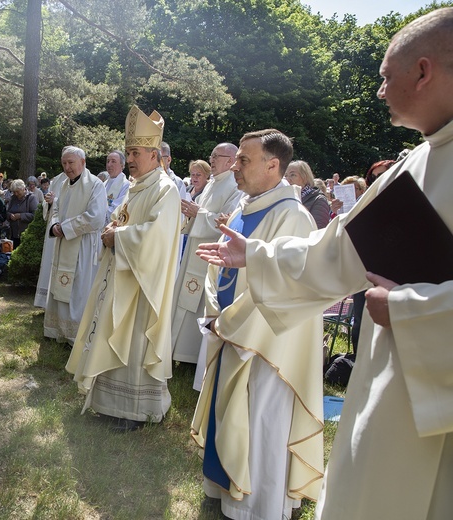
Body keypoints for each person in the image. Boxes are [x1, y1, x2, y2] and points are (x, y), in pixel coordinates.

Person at [195, 9, 453, 519]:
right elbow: (337, 251)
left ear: (423, 72)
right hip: (395, 378)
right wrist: (256, 255)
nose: (379, 92)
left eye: (384, 77)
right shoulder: (416, 163)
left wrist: (413, 310)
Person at [191, 129, 323, 520]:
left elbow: (283, 290)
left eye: (243, 160)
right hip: (230, 331)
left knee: (261, 421)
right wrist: (215, 312)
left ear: (273, 165)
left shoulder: (293, 216)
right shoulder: (240, 210)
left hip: (268, 347)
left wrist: (226, 323)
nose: (235, 168)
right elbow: (219, 270)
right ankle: (224, 489)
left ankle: (258, 507)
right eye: (234, 160)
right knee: (228, 413)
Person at [65, 106, 181, 432]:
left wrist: (118, 235)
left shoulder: (165, 190)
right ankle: (109, 404)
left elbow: (156, 237)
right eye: (128, 152)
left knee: (134, 342)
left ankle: (135, 411)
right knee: (112, 334)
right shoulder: (136, 186)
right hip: (121, 275)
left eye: (136, 152)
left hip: (144, 284)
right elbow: (123, 219)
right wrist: (112, 230)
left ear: (155, 155)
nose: (129, 158)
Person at [171, 145, 241, 371]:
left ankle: (191, 355)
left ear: (230, 160)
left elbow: (226, 222)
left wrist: (197, 213)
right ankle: (178, 350)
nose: (211, 160)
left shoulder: (235, 185)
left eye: (215, 157)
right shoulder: (212, 182)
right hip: (194, 248)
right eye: (211, 156)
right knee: (185, 298)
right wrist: (192, 213)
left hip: (211, 253)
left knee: (199, 300)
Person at [43, 146, 107, 344]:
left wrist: (66, 227)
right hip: (64, 243)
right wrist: (54, 225)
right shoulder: (63, 185)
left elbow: (96, 218)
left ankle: (75, 334)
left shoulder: (96, 185)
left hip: (83, 246)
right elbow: (56, 209)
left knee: (78, 289)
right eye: (64, 163)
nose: (67, 167)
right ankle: (59, 330)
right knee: (61, 287)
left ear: (83, 162)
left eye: (71, 163)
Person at [34, 171, 67, 308]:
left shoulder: (84, 180)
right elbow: (47, 205)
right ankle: (46, 301)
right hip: (53, 225)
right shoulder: (56, 180)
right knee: (49, 262)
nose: (67, 166)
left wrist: (55, 200)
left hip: (66, 228)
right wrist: (48, 202)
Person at [284, 160, 332, 228]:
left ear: (305, 177)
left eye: (293, 175)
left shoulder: (318, 200)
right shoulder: (286, 198)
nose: (287, 179)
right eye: (285, 175)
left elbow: (319, 231)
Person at [6, 178, 38, 249]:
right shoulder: (13, 198)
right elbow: (7, 212)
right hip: (14, 234)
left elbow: (35, 215)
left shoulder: (31, 198)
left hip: (27, 234)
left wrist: (20, 216)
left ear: (23, 189)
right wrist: (10, 215)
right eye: (14, 192)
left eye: (17, 191)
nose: (16, 194)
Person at [103, 150, 129, 224]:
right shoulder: (104, 183)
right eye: (108, 161)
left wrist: (97, 212)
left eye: (113, 161)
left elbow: (116, 209)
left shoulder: (126, 185)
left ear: (122, 165)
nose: (109, 164)